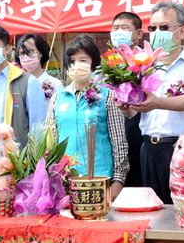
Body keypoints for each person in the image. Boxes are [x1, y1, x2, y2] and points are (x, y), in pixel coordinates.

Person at [119, 1, 184, 204]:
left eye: (164, 28)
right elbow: (139, 112)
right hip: (150, 148)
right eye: (152, 28)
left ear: (181, 32)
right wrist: (127, 107)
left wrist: (157, 103)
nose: (157, 33)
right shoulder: (144, 66)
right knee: (155, 211)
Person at [47, 34, 129, 200]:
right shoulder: (58, 97)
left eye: (83, 60)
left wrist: (118, 181)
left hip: (100, 179)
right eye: (72, 61)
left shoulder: (107, 96)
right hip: (65, 180)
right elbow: (51, 140)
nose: (77, 65)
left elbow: (118, 140)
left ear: (93, 63)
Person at [110, 12, 144, 187]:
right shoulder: (108, 63)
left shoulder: (147, 63)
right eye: (115, 28)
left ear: (138, 34)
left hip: (139, 140)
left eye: (124, 28)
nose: (118, 32)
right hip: (113, 146)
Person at [14, 33, 63, 104]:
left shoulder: (55, 85)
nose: (26, 57)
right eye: (22, 53)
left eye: (30, 52)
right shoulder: (16, 84)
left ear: (40, 53)